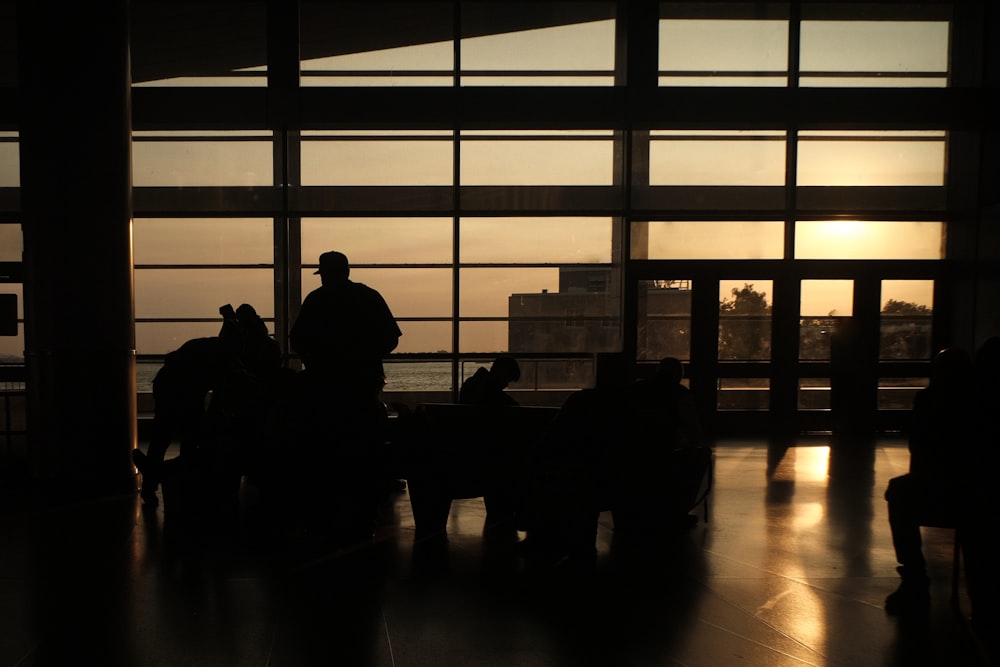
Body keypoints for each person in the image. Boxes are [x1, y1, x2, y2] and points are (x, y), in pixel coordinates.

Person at [132, 304, 271, 507]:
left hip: (169, 385)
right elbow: (218, 395)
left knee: (163, 435)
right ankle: (183, 484)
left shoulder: (208, 348)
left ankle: (154, 483)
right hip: (180, 389)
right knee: (188, 438)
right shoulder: (225, 361)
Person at [883, 346, 976, 615]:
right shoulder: (981, 403)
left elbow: (919, 449)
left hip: (937, 486)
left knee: (899, 492)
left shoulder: (928, 401)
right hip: (975, 489)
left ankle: (914, 577)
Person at [289, 251, 401, 406]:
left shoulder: (315, 300)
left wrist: (316, 362)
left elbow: (297, 340)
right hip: (364, 379)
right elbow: (391, 338)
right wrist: (367, 358)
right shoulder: (369, 296)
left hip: (324, 380)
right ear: (346, 271)